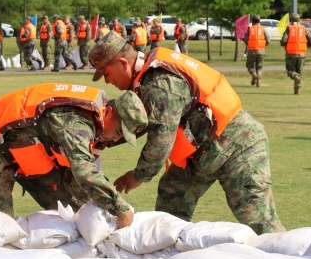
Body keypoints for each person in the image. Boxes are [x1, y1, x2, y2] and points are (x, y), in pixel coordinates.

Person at [89, 31, 285, 234]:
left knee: (257, 217)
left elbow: (161, 138)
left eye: (106, 73)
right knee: (171, 199)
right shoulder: (147, 76)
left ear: (122, 63)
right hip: (204, 152)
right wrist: (101, 141)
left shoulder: (159, 83)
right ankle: (175, 255)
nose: (107, 81)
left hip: (237, 147)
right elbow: (139, 121)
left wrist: (138, 175)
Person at [0, 83, 147, 223]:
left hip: (30, 151)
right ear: (107, 112)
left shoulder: (95, 118)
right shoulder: (76, 123)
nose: (115, 139)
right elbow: (84, 172)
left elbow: (82, 176)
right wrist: (120, 207)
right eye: (118, 132)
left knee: (79, 210)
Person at [280, 13, 311, 95]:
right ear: (299, 20)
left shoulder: (289, 28)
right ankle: (297, 90)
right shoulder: (304, 28)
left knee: (291, 71)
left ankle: (295, 77)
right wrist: (305, 46)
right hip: (302, 54)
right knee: (299, 72)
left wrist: (284, 44)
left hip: (291, 54)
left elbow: (283, 41)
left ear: (291, 20)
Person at [243, 15, 269, 87]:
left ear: (252, 21)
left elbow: (245, 39)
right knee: (259, 67)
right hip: (261, 51)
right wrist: (263, 45)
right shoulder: (263, 29)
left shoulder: (250, 29)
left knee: (250, 65)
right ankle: (259, 81)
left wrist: (250, 44)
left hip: (252, 50)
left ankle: (254, 75)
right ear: (259, 21)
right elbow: (268, 40)